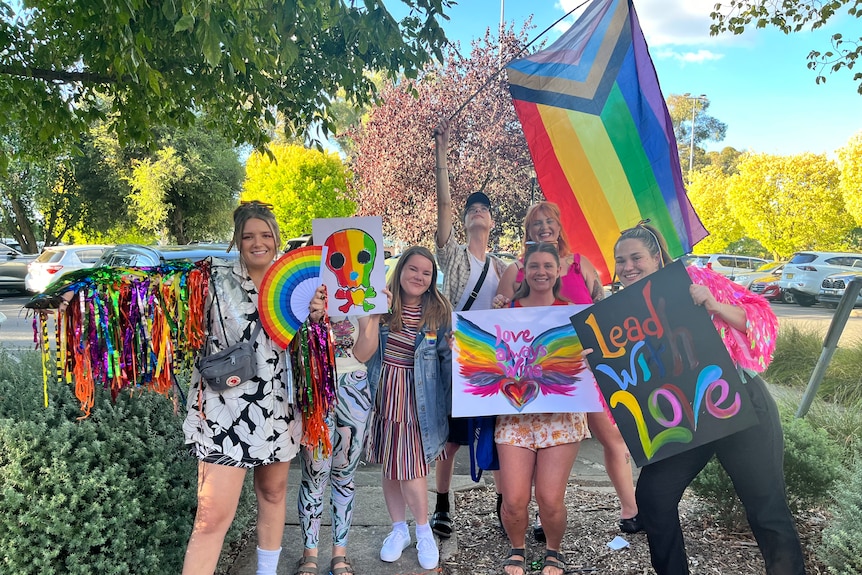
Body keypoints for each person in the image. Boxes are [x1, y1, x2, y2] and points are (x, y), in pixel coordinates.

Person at [613, 221, 806, 575]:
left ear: (656, 258)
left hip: (739, 400)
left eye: (636, 257)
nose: (628, 267)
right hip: (686, 416)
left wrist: (714, 304)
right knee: (654, 499)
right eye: (620, 260)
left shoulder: (699, 280)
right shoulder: (619, 314)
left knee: (766, 508)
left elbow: (761, 320)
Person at [181, 201, 327, 575]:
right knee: (211, 516)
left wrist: (313, 319)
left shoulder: (298, 282)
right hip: (223, 410)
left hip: (278, 406)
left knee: (273, 493)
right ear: (237, 241)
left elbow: (311, 351)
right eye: (248, 236)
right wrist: (78, 298)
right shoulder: (214, 277)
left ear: (277, 239)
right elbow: (155, 291)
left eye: (265, 235)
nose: (257, 243)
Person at [497, 201, 641, 534]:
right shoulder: (515, 270)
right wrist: (500, 306)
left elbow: (601, 308)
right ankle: (538, 516)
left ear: (559, 225)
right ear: (528, 232)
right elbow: (499, 318)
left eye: (549, 221)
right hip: (534, 375)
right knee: (539, 446)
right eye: (536, 224)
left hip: (584, 369)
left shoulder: (581, 265)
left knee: (613, 436)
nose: (543, 227)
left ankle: (632, 508)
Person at [491, 242, 588, 575]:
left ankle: (553, 550)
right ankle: (516, 548)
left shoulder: (572, 313)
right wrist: (461, 347)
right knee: (515, 500)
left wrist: (586, 356)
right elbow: (489, 357)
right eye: (534, 266)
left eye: (548, 265)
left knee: (549, 499)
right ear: (524, 270)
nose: (541, 272)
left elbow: (588, 366)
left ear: (558, 270)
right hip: (515, 414)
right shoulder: (505, 311)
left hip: (561, 417)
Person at [432, 118, 509, 538]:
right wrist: (442, 155)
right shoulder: (454, 255)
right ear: (463, 223)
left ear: (493, 222)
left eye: (484, 209)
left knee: (496, 432)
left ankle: (505, 503)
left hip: (493, 360)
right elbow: (444, 206)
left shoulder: (504, 267)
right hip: (459, 357)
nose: (477, 211)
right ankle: (443, 503)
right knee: (453, 437)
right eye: (471, 210)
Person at [364, 245, 453, 571]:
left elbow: (446, 363)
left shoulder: (438, 313)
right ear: (400, 270)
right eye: (413, 269)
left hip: (420, 401)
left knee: (413, 469)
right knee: (391, 465)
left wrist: (448, 407)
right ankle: (399, 529)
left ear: (432, 279)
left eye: (426, 272)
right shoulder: (383, 305)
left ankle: (422, 529)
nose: (418, 276)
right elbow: (364, 348)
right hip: (384, 394)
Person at [294, 295, 389, 575]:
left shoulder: (360, 288)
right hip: (315, 389)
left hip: (354, 388)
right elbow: (294, 350)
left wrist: (374, 315)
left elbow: (362, 353)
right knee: (314, 474)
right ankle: (309, 554)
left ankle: (340, 553)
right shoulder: (304, 290)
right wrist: (312, 318)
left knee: (344, 475)